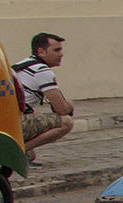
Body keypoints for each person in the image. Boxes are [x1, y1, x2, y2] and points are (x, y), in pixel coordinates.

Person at [13, 32, 76, 162]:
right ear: (41, 52)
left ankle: (23, 151)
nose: (61, 54)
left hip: (6, 120)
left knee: (32, 155)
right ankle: (18, 152)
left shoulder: (23, 65)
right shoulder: (42, 70)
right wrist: (70, 105)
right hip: (16, 122)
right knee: (66, 122)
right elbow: (62, 110)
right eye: (56, 50)